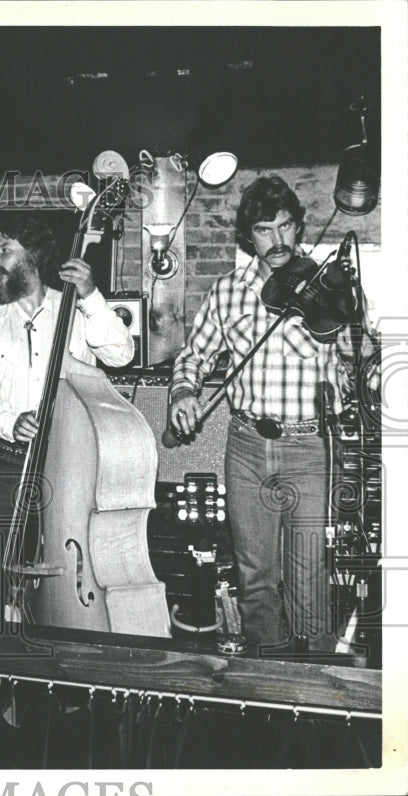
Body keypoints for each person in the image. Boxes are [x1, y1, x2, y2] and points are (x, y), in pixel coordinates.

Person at [168, 175, 361, 654]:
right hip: (248, 446)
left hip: (309, 448)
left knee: (308, 578)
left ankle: (314, 695)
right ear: (247, 236)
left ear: (297, 228)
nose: (276, 241)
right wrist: (182, 393)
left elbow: (358, 363)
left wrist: (359, 362)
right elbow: (193, 356)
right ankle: (267, 687)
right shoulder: (228, 292)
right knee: (255, 578)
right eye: (263, 230)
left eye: (285, 227)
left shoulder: (329, 289)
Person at [0, 215, 134, 634]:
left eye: (4, 250)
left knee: (70, 568)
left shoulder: (74, 308)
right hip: (5, 464)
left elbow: (121, 354)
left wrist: (92, 296)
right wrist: (10, 421)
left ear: (32, 257)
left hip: (69, 466)